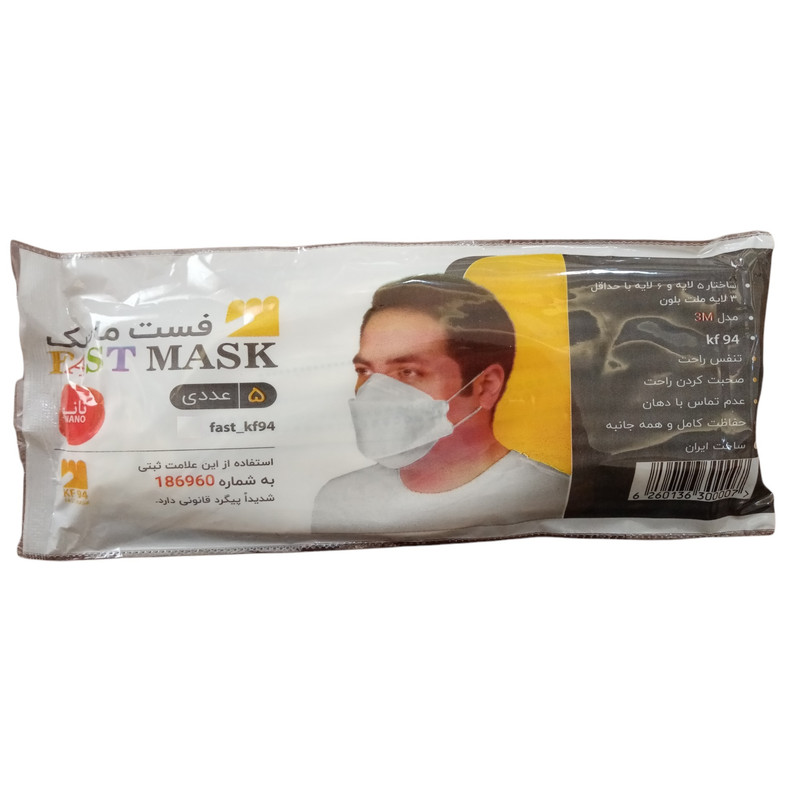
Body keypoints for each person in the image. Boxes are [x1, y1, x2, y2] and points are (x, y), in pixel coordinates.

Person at [312, 273, 570, 534]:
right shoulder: (340, 502)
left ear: (486, 386)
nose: (374, 393)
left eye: (408, 371)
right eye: (364, 371)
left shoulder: (553, 498)